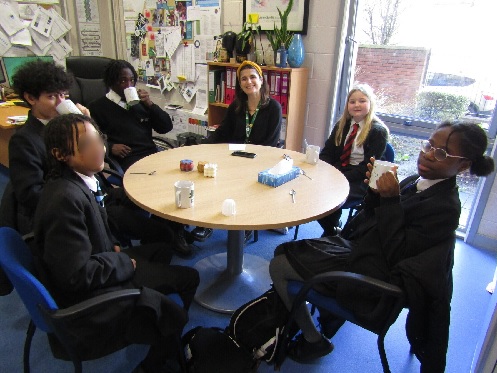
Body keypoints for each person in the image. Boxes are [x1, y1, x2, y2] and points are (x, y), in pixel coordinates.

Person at [269, 121, 494, 369]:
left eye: (441, 153)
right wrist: (376, 194)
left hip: (376, 281)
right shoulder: (418, 181)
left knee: (278, 265)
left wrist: (390, 201)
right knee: (286, 250)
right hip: (366, 254)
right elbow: (374, 222)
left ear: (463, 165)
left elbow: (396, 253)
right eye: (429, 144)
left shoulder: (446, 208)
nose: (428, 153)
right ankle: (301, 320)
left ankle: (313, 339)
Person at [34, 113, 199, 372]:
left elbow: (91, 234)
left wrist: (114, 249)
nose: (99, 149)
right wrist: (123, 262)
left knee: (163, 247)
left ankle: (151, 319)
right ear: (59, 154)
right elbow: (77, 276)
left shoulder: (77, 181)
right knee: (189, 278)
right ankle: (155, 361)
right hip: (96, 295)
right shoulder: (64, 200)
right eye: (87, 144)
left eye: (98, 139)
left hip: (104, 260)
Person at [3, 59, 191, 257]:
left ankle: (164, 232)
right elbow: (31, 194)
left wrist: (86, 122)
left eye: (63, 95)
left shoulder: (68, 126)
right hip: (81, 206)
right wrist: (88, 199)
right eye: (51, 97)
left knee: (151, 193)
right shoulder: (25, 141)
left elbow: (96, 152)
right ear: (31, 98)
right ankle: (145, 256)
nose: (60, 103)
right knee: (160, 234)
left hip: (99, 192)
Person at [194, 60, 283, 242]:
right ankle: (205, 223)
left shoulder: (273, 108)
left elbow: (270, 143)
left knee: (243, 182)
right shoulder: (236, 106)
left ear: (261, 79)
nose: (248, 82)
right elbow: (223, 132)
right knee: (210, 176)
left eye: (252, 77)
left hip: (259, 160)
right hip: (233, 156)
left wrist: (248, 158)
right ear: (239, 83)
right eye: (243, 79)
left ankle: (245, 225)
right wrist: (204, 145)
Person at [318, 84, 389, 236]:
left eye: (362, 101)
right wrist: (325, 170)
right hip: (337, 171)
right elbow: (327, 152)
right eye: (352, 101)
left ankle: (332, 231)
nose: (357, 105)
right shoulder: (341, 125)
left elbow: (367, 167)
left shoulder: (378, 131)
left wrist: (340, 177)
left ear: (370, 103)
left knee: (331, 197)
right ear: (347, 105)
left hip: (361, 178)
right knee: (312, 191)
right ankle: (333, 228)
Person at [89, 59, 173, 172]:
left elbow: (166, 127)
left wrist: (150, 104)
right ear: (111, 82)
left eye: (132, 80)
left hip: (151, 153)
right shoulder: (97, 107)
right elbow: (90, 140)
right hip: (127, 158)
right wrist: (110, 146)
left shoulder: (141, 103)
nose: (129, 85)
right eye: (123, 81)